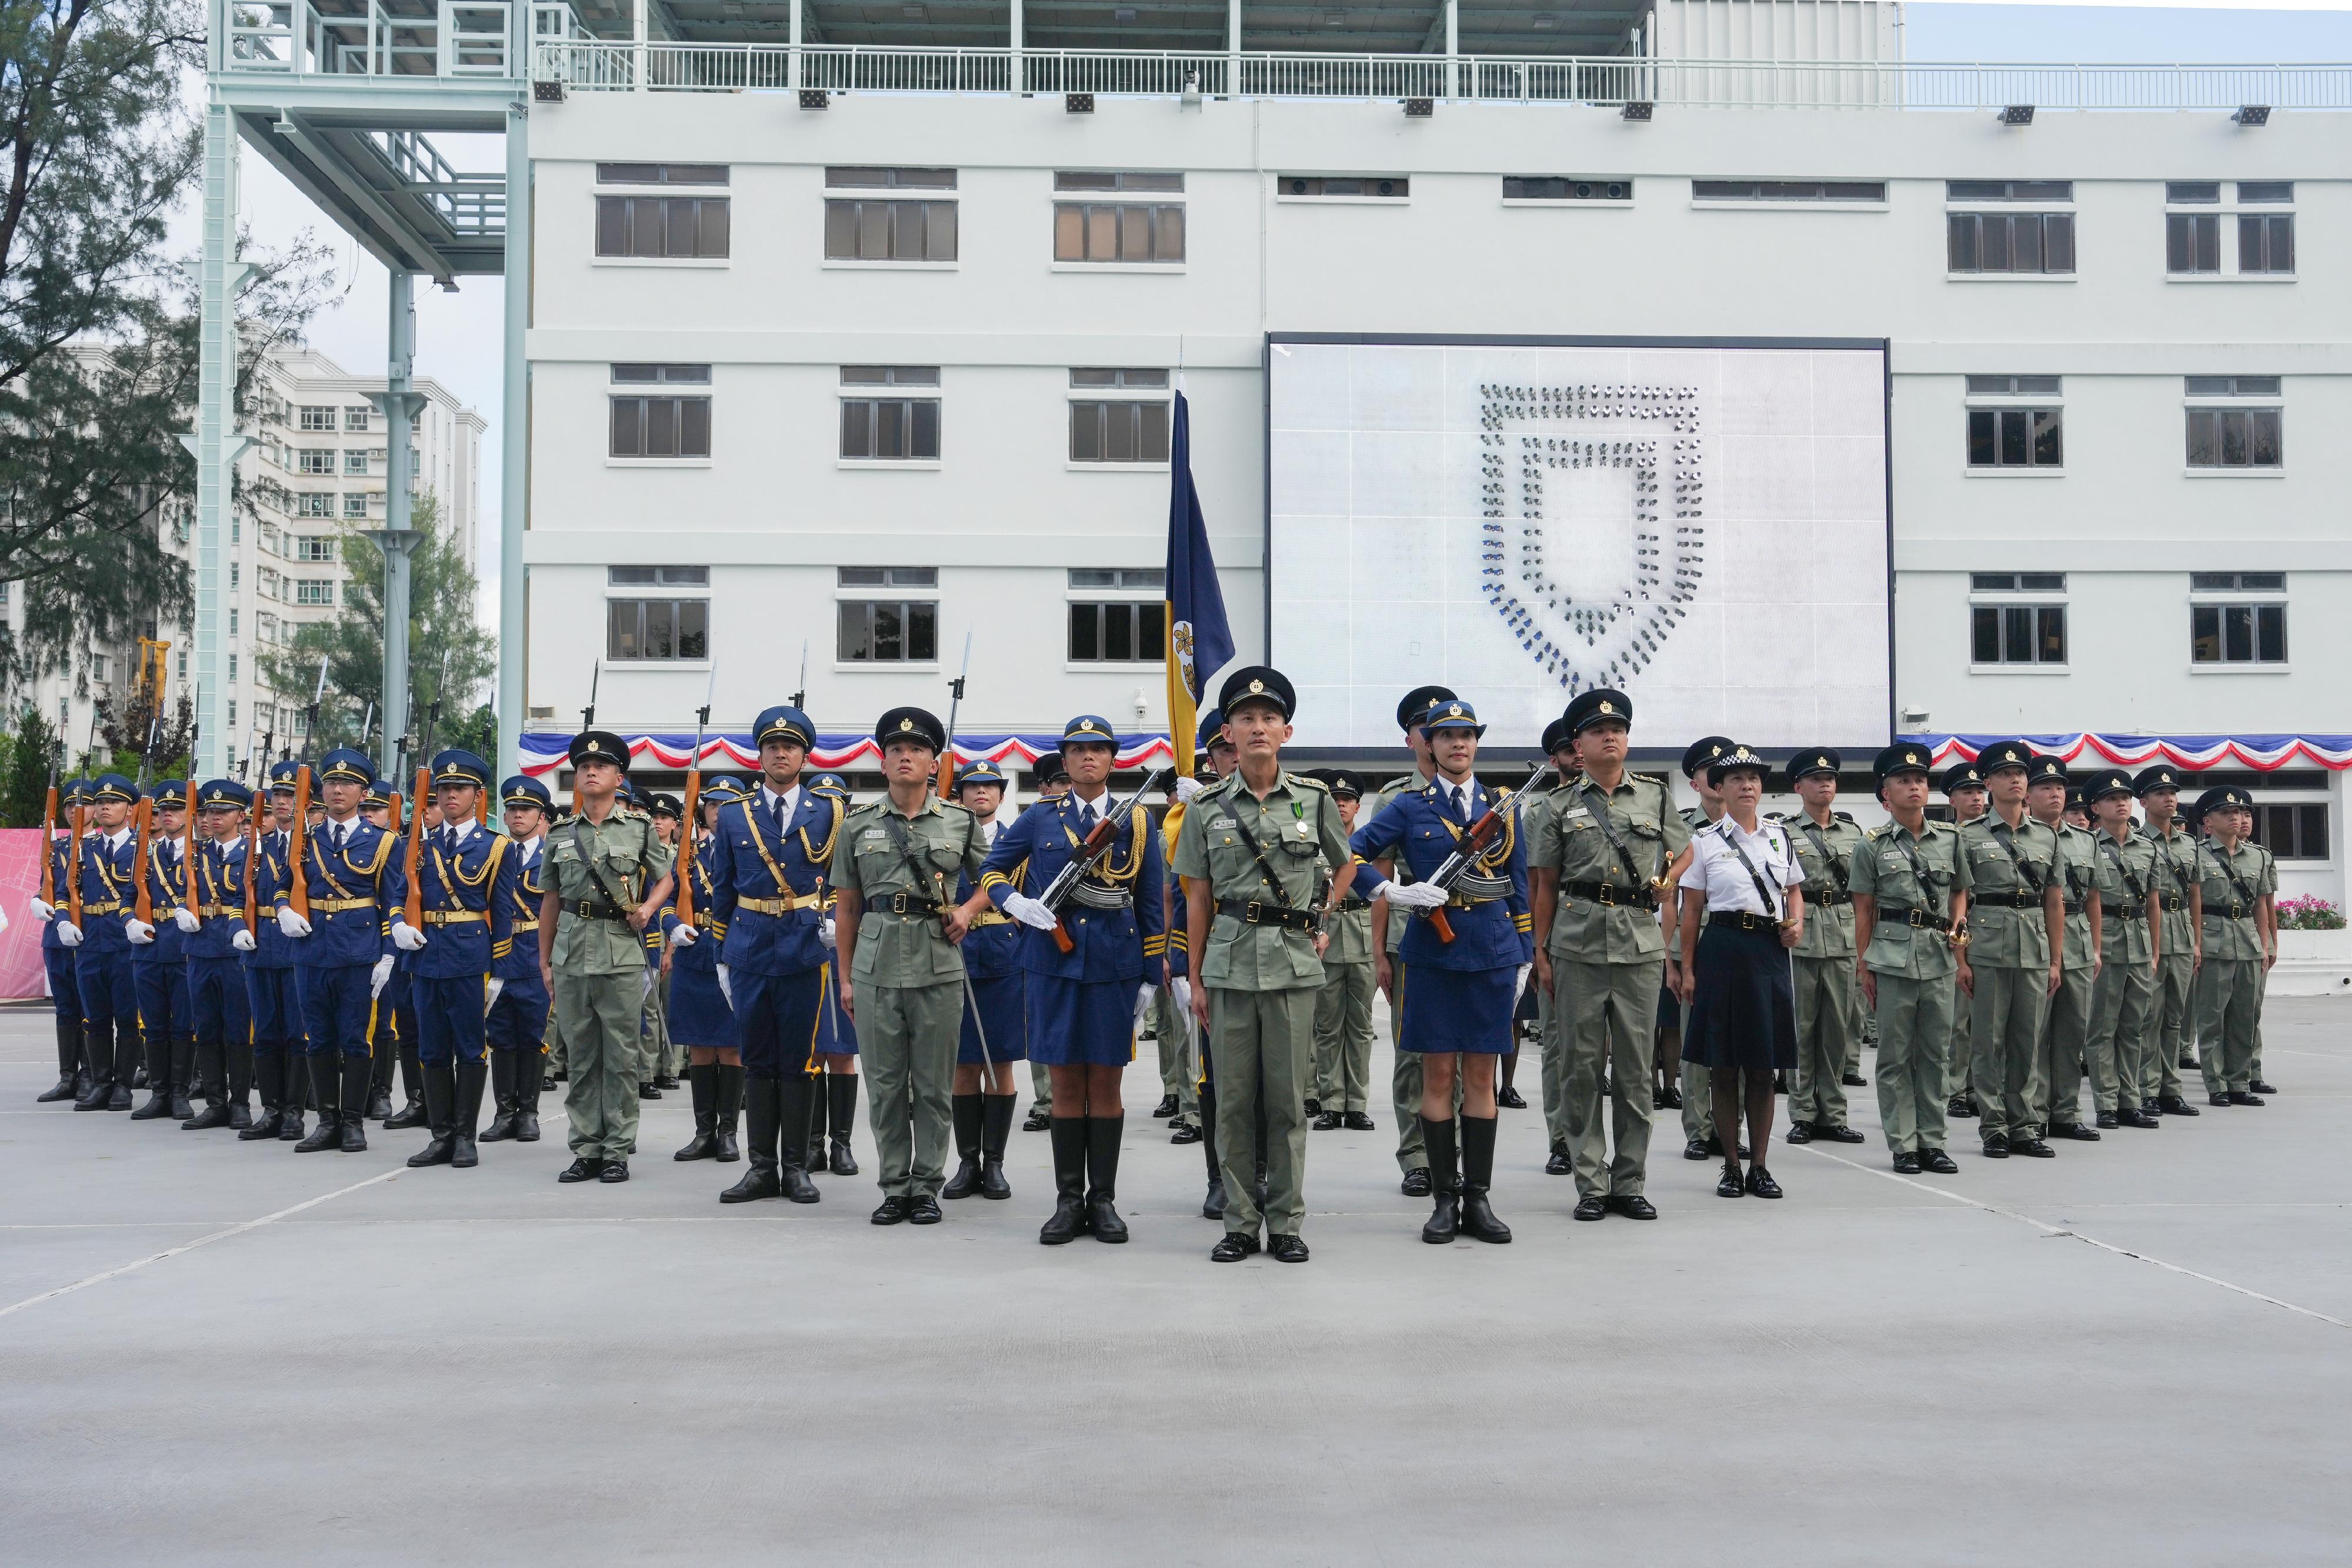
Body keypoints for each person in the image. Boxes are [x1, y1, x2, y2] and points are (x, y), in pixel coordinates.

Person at [1174, 667, 1349, 1264]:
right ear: (1228, 732)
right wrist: (1195, 977)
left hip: (1293, 965)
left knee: (1286, 1101)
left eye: (1268, 718)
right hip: (1226, 967)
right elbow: (1196, 898)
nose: (1257, 727)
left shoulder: (1314, 799)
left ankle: (1288, 1222)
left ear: (1286, 730)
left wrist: (1320, 918)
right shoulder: (1205, 808)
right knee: (1232, 1101)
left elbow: (1344, 865)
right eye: (1245, 719)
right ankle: (1240, 1223)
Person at [1349, 700, 1531, 1244]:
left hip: (1493, 954)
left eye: (1467, 735)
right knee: (1437, 1077)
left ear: (1477, 743)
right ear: (1428, 744)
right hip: (1432, 954)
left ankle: (1478, 1197)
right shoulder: (1409, 806)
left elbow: (1518, 883)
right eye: (1447, 736)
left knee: (1481, 1078)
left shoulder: (1502, 805)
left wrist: (1523, 952)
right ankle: (1444, 1200)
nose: (1458, 744)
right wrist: (1389, 890)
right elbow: (1350, 851)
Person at [981, 714, 1164, 1243]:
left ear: (1113, 760)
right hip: (1053, 967)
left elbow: (1151, 900)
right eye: (1078, 750)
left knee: (1106, 1081)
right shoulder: (1039, 818)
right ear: (1064, 761)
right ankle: (1068, 1200)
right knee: (1064, 1082)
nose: (1088, 758)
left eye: (1099, 749)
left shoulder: (1138, 821)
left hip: (1115, 968)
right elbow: (993, 868)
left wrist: (1151, 974)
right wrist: (1013, 901)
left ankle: (1102, 1199)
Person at [1527, 690, 1693, 1221]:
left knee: (1634, 1071)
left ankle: (1630, 1181)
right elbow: (1545, 886)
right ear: (1578, 745)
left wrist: (1667, 882)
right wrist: (1542, 953)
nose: (1611, 736)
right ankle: (1591, 1183)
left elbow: (1686, 848)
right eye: (1599, 731)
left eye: (1619, 728)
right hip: (1575, 943)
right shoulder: (1556, 805)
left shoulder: (1654, 796)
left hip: (1639, 944)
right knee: (1579, 1068)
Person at [833, 707, 988, 1226]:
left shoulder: (959, 821)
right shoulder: (857, 825)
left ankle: (926, 1186)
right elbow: (848, 907)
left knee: (933, 1083)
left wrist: (967, 910)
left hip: (938, 962)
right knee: (884, 1083)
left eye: (917, 749)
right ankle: (893, 1185)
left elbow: (996, 877)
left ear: (933, 762)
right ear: (883, 763)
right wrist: (845, 977)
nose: (905, 756)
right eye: (896, 750)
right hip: (875, 966)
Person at [706, 706, 840, 1203]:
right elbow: (722, 888)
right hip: (748, 946)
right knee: (757, 1061)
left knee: (800, 1062)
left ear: (805, 755)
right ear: (759, 754)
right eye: (772, 746)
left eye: (791, 746)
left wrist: (833, 924)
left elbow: (841, 881)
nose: (781, 753)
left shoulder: (829, 810)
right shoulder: (736, 813)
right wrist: (722, 953)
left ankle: (796, 1167)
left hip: (805, 947)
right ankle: (761, 1166)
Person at [540, 731, 674, 1183]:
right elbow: (550, 902)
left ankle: (617, 1148)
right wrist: (545, 962)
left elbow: (666, 878)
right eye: (583, 767)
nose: (590, 771)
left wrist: (650, 909)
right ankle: (586, 1148)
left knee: (620, 1056)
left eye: (600, 766)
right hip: (572, 954)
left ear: (619, 777)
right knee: (580, 1057)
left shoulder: (638, 830)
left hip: (620, 953)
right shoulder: (560, 834)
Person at [1673, 746, 1804, 1199]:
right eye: (1736, 779)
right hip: (1723, 950)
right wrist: (1687, 968)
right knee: (1724, 1066)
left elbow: (1794, 890)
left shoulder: (1780, 836)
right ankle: (1730, 1164)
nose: (1747, 785)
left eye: (1753, 778)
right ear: (1720, 789)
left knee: (1763, 1067)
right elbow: (1691, 912)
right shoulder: (1704, 841)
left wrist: (1798, 923)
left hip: (1768, 952)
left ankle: (1761, 1165)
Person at [275, 748, 413, 1154]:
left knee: (356, 1039)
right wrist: (283, 908)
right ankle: (327, 1120)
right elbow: (283, 885)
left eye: (347, 783)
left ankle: (353, 1121)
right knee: (317, 1038)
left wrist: (389, 954)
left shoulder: (384, 842)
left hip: (360, 953)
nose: (338, 789)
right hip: (311, 950)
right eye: (331, 783)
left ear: (363, 791)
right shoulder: (307, 839)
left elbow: (394, 901)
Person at [1849, 744, 1971, 1174]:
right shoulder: (1871, 846)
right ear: (1886, 792)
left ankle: (1933, 1141)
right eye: (1904, 780)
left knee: (1937, 1054)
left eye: (1920, 780)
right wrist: (1864, 965)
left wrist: (1958, 936)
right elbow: (1863, 910)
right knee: (1895, 1055)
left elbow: (1960, 891)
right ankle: (1903, 1143)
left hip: (1938, 957)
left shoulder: (1951, 838)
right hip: (1891, 957)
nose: (1914, 786)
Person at [401, 750, 520, 1169]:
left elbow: (503, 912)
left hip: (470, 957)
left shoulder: (496, 847)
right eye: (445, 789)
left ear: (477, 794)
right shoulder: (418, 845)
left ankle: (466, 1136)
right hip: (423, 956)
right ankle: (441, 1135)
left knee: (470, 1048)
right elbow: (401, 896)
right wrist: (398, 924)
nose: (451, 795)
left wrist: (500, 972)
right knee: (431, 1049)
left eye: (460, 788)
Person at [1367, 684, 1458, 1196]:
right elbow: (1380, 879)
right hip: (1410, 943)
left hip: (1466, 942)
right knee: (1413, 1053)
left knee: (1463, 1054)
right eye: (1429, 727)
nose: (1437, 736)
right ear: (1414, 738)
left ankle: (1455, 1148)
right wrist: (1380, 951)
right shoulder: (1396, 798)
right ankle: (1417, 1155)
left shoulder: (1475, 793)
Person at [1957, 740, 2063, 1161]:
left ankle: (2025, 1126)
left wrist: (2056, 959)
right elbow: (1960, 900)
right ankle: (1994, 1126)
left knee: (2027, 1042)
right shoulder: (1968, 836)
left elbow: (2054, 901)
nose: (2016, 779)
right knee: (1988, 1042)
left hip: (2034, 948)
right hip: (1986, 947)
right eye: (2005, 774)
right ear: (1988, 783)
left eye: (2020, 773)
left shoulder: (2046, 837)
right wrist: (1960, 958)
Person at [941, 761, 1025, 1201]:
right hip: (956, 952)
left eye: (989, 787)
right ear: (961, 794)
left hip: (1004, 951)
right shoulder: (947, 835)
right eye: (972, 787)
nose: (981, 793)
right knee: (964, 1063)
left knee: (1001, 1062)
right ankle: (967, 1160)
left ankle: (994, 1162)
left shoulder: (1018, 839)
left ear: (1000, 794)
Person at [1782, 747, 1867, 1147]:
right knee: (1800, 1028)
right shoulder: (1783, 831)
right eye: (1816, 779)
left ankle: (1833, 1113)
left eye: (1830, 778)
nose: (1825, 784)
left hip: (1843, 935)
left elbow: (1867, 893)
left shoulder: (1854, 834)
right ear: (1799, 786)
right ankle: (1802, 1112)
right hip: (1800, 935)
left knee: (1838, 1029)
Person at [659, 775, 743, 1162]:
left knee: (731, 1047)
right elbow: (666, 898)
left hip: (732, 952)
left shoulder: (748, 850)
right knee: (699, 1048)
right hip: (695, 954)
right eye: (713, 804)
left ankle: (728, 1132)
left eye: (728, 804)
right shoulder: (687, 855)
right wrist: (671, 924)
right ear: (703, 809)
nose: (719, 811)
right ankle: (703, 1132)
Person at [2080, 768, 2162, 1131]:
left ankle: (2131, 1100)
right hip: (2107, 943)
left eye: (2126, 798)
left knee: (2135, 1027)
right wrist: (2092, 948)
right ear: (2095, 807)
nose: (2122, 804)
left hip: (2140, 942)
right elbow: (2084, 901)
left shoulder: (2148, 847)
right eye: (2113, 799)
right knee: (2102, 1028)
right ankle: (2106, 1103)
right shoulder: (2087, 847)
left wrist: (2156, 951)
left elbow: (2155, 902)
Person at [2027, 754, 2103, 1142]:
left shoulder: (2086, 840)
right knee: (2034, 1033)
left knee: (2072, 1031)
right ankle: (2033, 1113)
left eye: (2059, 787)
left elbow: (2092, 898)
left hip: (2075, 939)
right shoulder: (2020, 836)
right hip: (2031, 935)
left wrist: (2096, 946)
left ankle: (2066, 1112)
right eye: (2045, 787)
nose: (2055, 794)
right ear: (2028, 794)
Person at [1668, 736, 1735, 1164]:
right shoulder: (1678, 828)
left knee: (1736, 1042)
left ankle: (1731, 1129)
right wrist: (1671, 960)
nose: (1716, 778)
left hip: (1738, 944)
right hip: (1693, 944)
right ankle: (1698, 1129)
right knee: (1695, 1041)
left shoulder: (1752, 827)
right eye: (1708, 771)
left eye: (1723, 770)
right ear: (1695, 782)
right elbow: (1670, 897)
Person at [179, 778, 257, 1131]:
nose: (215, 817)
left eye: (223, 811)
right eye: (210, 811)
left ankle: (239, 1103)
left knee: (238, 1029)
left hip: (235, 949)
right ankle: (214, 1102)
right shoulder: (195, 854)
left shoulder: (254, 854)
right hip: (200, 949)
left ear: (241, 815)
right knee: (206, 1028)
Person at [61, 774, 141, 1111]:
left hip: (125, 942)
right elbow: (67, 891)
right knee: (94, 1018)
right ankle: (100, 1082)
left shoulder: (143, 849)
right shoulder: (83, 847)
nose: (105, 807)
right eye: (100, 802)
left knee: (126, 1017)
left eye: (114, 802)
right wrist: (63, 919)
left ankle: (123, 1085)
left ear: (129, 809)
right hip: (90, 941)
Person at [239, 761, 309, 1141]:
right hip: (260, 944)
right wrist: (237, 927)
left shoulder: (313, 846)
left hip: (299, 945)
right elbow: (238, 895)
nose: (283, 802)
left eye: (290, 795)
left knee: (297, 1033)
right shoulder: (256, 847)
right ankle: (271, 1109)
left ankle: (295, 1111)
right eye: (278, 796)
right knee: (265, 1032)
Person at [484, 774, 554, 1145]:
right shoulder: (493, 854)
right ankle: (504, 1112)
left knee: (532, 1035)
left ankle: (528, 1112)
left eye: (526, 810)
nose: (517, 816)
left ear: (540, 815)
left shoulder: (553, 856)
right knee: (500, 1036)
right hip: (499, 952)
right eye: (512, 809)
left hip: (535, 953)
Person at [1307, 770, 1377, 1134]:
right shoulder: (1313, 844)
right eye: (1334, 799)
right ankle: (1331, 1102)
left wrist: (1379, 948)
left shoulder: (1369, 844)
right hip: (1326, 939)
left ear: (1357, 806)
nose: (1341, 804)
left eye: (1347, 800)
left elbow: (1381, 898)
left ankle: (1357, 1104)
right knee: (1328, 1026)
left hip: (1363, 939)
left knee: (1361, 1027)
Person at [2191, 785, 2270, 1108]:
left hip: (2248, 941)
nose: (2236, 818)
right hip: (2213, 940)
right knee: (2212, 1018)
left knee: (2244, 1017)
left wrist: (2265, 944)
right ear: (2208, 822)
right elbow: (2192, 902)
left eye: (2238, 812)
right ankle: (2217, 1084)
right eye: (2226, 813)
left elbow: (2262, 904)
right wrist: (2195, 943)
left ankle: (2239, 1082)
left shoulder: (2259, 856)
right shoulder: (2197, 853)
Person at [2134, 765, 2204, 1118]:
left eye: (2173, 793)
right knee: (2151, 1015)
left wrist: (2196, 941)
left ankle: (2170, 1089)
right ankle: (2147, 1089)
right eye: (2161, 794)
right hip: (2149, 934)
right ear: (2143, 801)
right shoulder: (2136, 843)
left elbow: (2195, 895)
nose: (2170, 798)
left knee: (2175, 1017)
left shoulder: (2188, 843)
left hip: (2181, 935)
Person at [804, 771, 862, 1178]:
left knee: (842, 1056)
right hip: (805, 960)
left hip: (847, 962)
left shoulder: (857, 847)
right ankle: (811, 1144)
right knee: (811, 1057)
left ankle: (841, 1143)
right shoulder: (798, 847)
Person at [1529, 720, 1579, 1174]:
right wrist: (1537, 949)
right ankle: (1562, 1139)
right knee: (1558, 1045)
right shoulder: (1539, 811)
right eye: (1568, 748)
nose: (1578, 753)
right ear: (1554, 758)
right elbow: (1534, 886)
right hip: (1560, 937)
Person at [129, 780, 195, 1121]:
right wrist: (130, 922)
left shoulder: (200, 853)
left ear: (190, 813)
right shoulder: (146, 852)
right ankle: (159, 1093)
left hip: (185, 948)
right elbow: (130, 897)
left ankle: (181, 1092)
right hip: (149, 948)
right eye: (163, 811)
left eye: (176, 809)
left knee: (183, 1025)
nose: (167, 815)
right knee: (153, 1026)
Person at [1021, 749, 1071, 1133]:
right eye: (1060, 783)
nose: (1066, 788)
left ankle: (1075, 1097)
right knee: (1043, 1026)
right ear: (1044, 787)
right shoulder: (1035, 822)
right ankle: (1046, 1100)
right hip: (1038, 938)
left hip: (1080, 933)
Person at [30, 777, 89, 1104]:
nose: (74, 810)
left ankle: (91, 1074)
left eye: (82, 804)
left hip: (90, 937)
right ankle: (68, 1076)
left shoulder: (98, 845)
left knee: (92, 1008)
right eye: (69, 804)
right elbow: (48, 886)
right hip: (56, 937)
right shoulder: (57, 848)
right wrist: (38, 899)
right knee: (66, 1008)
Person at [1939, 758, 1990, 1120]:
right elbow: (1953, 897)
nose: (1976, 798)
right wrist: (1959, 954)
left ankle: (1979, 1088)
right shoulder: (1949, 839)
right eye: (1967, 792)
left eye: (1979, 791)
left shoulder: (1996, 835)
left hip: (1992, 937)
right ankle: (1957, 1088)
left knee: (1986, 1022)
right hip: (1959, 937)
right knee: (1959, 1022)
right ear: (1952, 800)